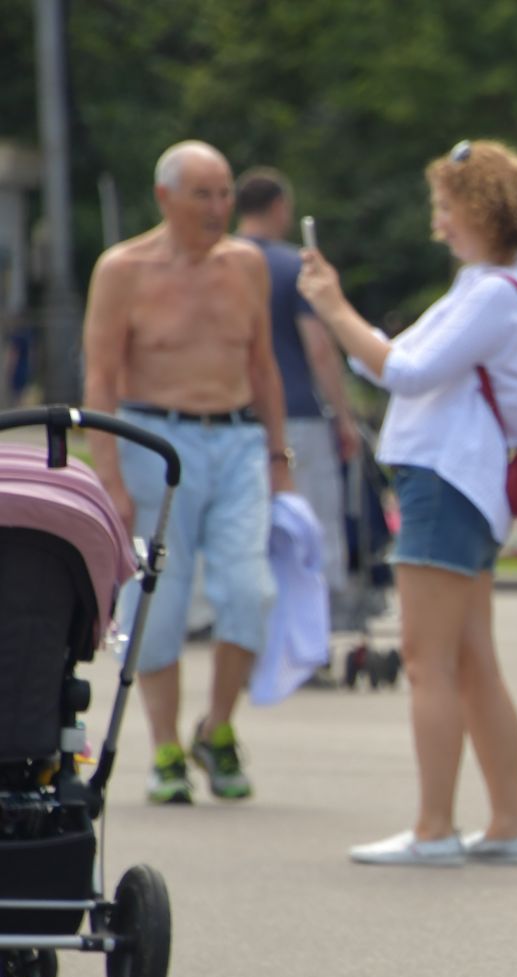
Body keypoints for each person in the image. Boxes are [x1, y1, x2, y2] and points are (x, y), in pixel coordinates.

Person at [297, 139, 517, 868]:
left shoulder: (493, 291)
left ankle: (436, 827)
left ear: (479, 208)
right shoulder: (494, 283)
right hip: (461, 482)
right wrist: (342, 316)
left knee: (429, 659)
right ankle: (506, 823)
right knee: (471, 660)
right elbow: (389, 355)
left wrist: (332, 305)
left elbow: (401, 371)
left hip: (446, 479)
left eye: (445, 206)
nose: (437, 222)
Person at [81, 139, 293, 805]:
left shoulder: (246, 264)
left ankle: (218, 727)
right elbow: (102, 376)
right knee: (160, 600)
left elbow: (262, 364)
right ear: (165, 197)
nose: (218, 207)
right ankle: (166, 745)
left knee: (249, 590)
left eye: (226, 192)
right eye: (203, 194)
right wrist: (110, 478)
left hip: (234, 439)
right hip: (154, 438)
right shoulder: (123, 269)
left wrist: (280, 455)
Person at [234, 167, 361, 610]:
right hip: (297, 415)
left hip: (232, 417)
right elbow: (319, 350)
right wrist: (344, 417)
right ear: (279, 208)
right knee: (313, 524)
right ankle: (315, 626)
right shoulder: (294, 266)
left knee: (244, 529)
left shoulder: (217, 261)